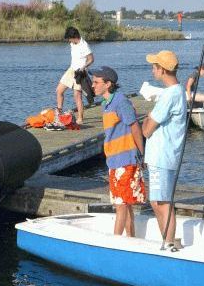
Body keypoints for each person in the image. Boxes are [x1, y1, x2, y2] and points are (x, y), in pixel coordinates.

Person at [92, 66, 145, 237]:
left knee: (121, 205)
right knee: (124, 203)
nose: (93, 85)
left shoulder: (121, 101)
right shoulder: (106, 104)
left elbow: (135, 127)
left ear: (108, 84)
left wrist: (142, 154)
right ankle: (130, 239)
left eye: (96, 82)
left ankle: (115, 242)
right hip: (114, 161)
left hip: (126, 159)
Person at [142, 50, 187, 248]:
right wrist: (150, 117)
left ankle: (169, 243)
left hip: (162, 156)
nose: (152, 70)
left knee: (161, 202)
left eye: (154, 66)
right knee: (157, 201)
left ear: (162, 69)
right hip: (164, 156)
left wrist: (147, 118)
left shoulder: (169, 95)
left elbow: (147, 130)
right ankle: (167, 241)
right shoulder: (177, 92)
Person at [56, 26, 94, 125]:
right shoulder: (72, 43)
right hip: (71, 70)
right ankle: (59, 113)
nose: (69, 41)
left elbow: (91, 59)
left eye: (69, 38)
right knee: (59, 90)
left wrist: (84, 67)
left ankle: (80, 118)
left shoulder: (84, 45)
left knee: (77, 96)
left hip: (80, 73)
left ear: (74, 37)